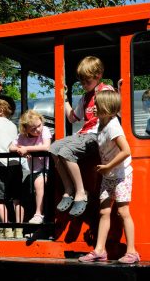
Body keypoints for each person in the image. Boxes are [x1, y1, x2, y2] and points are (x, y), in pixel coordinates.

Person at [78, 90, 140, 264]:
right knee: (104, 211)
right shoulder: (101, 124)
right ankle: (99, 250)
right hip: (109, 174)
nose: (93, 108)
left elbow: (126, 151)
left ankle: (132, 252)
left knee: (122, 212)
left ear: (106, 107)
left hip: (121, 175)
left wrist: (107, 166)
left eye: (96, 105)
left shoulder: (113, 126)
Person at [49, 56, 114, 217]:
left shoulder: (106, 90)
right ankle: (69, 188)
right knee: (54, 147)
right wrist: (64, 98)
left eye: (87, 81)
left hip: (98, 135)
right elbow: (72, 117)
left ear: (98, 75)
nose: (84, 85)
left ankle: (81, 192)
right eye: (82, 82)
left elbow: (116, 110)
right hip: (84, 134)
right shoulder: (85, 97)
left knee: (66, 151)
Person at [0, 95, 24, 239]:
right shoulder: (13, 125)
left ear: (0, 110)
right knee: (16, 198)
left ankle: (6, 228)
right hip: (15, 164)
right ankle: (19, 229)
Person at [9, 109, 52, 224]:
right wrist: (20, 149)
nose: (38, 129)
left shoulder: (45, 131)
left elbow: (46, 146)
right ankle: (21, 225)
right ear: (26, 129)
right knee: (23, 193)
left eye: (39, 125)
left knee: (38, 184)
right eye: (33, 129)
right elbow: (10, 147)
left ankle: (38, 214)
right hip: (33, 170)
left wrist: (27, 149)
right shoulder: (22, 136)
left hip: (47, 168)